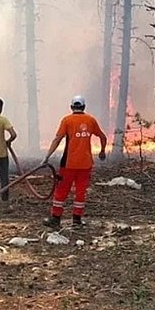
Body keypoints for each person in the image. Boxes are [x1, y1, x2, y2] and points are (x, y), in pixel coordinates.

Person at [41, 95, 107, 229]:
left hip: (68, 164)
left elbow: (57, 139)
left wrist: (47, 156)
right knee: (81, 192)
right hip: (86, 164)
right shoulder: (90, 120)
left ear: (72, 107)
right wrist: (102, 151)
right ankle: (77, 220)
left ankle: (56, 218)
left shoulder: (67, 120)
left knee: (61, 190)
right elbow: (103, 137)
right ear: (83, 107)